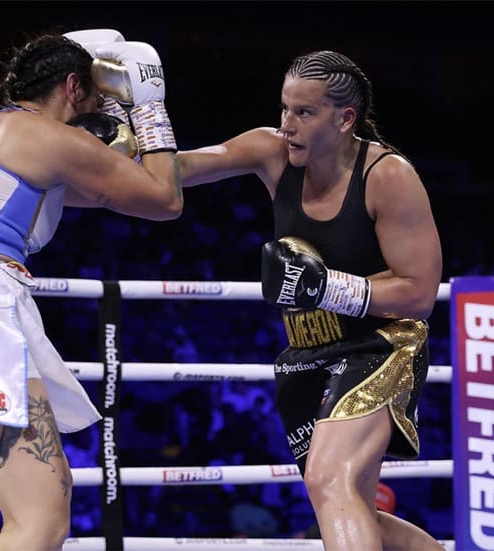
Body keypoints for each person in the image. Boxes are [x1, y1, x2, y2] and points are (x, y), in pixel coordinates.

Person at [0, 29, 182, 551]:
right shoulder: (40, 136)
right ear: (72, 86)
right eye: (99, 94)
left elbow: (136, 183)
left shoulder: (0, 135)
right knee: (39, 521)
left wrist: (247, 156)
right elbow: (163, 198)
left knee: (41, 515)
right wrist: (150, 105)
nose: (107, 108)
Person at [177, 50, 443, 550]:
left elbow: (420, 293)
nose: (288, 125)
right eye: (284, 109)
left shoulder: (387, 176)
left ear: (345, 119)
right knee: (344, 504)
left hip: (381, 346)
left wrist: (328, 288)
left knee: (330, 483)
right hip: (306, 354)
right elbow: (180, 169)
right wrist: (128, 130)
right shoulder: (271, 152)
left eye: (304, 112)